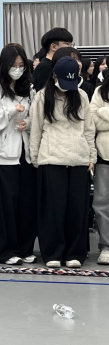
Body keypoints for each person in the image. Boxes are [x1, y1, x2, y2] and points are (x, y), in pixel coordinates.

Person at [30, 56, 95, 268]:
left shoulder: (81, 95)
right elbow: (36, 130)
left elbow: (89, 129)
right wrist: (35, 158)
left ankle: (74, 253)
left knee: (77, 209)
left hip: (79, 159)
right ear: (54, 76)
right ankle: (52, 253)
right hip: (51, 159)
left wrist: (92, 157)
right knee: (52, 210)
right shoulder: (42, 97)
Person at [0, 45, 37, 265]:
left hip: (25, 155)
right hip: (2, 155)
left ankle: (24, 248)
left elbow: (36, 117)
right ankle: (4, 250)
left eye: (21, 66)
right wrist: (9, 111)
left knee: (26, 205)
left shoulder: (29, 89)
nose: (18, 70)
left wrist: (27, 123)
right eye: (14, 65)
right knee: (4, 207)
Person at [91, 70, 109, 265]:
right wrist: (99, 114)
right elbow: (93, 120)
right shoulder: (100, 91)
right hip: (104, 155)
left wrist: (104, 112)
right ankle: (106, 245)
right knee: (102, 203)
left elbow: (100, 117)